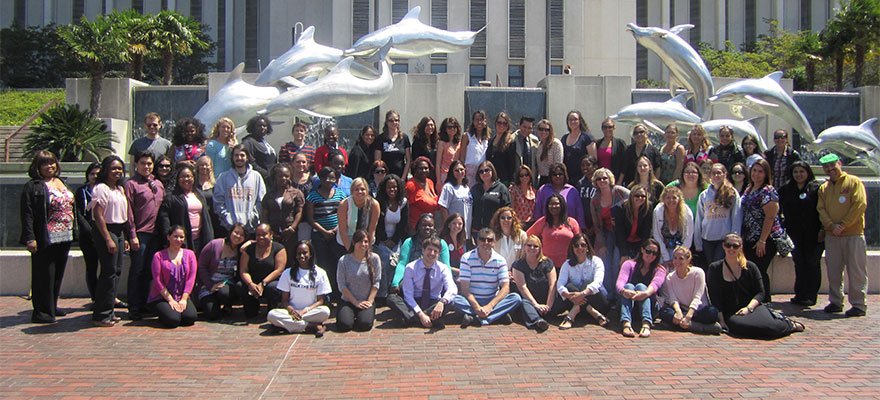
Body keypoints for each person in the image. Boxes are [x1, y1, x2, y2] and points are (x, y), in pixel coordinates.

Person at [707, 233, 805, 338]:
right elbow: (715, 297)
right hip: (732, 312)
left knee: (771, 327)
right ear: (723, 246)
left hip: (752, 307)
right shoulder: (715, 268)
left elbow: (760, 292)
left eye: (735, 246)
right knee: (739, 327)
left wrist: (749, 308)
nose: (731, 248)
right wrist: (721, 320)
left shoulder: (750, 267)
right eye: (728, 245)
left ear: (741, 247)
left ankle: (789, 324)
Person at [20, 151, 75, 323]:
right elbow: (27, 214)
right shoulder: (33, 186)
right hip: (46, 237)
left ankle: (52, 305)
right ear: (37, 167)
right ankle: (41, 312)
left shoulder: (61, 182)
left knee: (57, 273)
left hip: (65, 235)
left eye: (52, 162)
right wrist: (30, 238)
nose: (49, 166)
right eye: (45, 163)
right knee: (43, 275)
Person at [87, 156, 137, 327]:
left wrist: (126, 237)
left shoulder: (119, 189)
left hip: (119, 230)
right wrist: (108, 238)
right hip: (106, 230)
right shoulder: (101, 188)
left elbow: (123, 215)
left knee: (116, 272)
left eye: (120, 169)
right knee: (108, 272)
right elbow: (98, 215)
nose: (117, 171)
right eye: (113, 168)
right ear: (106, 170)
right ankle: (100, 314)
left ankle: (110, 310)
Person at [817, 153, 868, 317]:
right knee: (833, 270)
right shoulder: (824, 188)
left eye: (833, 165)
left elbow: (860, 204)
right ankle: (835, 301)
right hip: (832, 235)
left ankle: (859, 304)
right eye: (826, 167)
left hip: (853, 234)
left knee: (856, 270)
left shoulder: (853, 182)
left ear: (840, 163)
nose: (830, 169)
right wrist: (831, 225)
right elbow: (821, 209)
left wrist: (844, 225)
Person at [124, 150, 165, 320]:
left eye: (149, 163)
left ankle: (147, 304)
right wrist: (132, 235)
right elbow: (128, 211)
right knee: (137, 271)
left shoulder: (158, 184)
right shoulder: (131, 184)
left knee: (151, 272)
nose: (146, 166)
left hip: (156, 235)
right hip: (140, 234)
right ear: (136, 165)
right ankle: (134, 306)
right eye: (142, 163)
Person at [454, 228, 522, 327]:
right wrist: (477, 307)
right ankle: (496, 315)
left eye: (489, 240)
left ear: (494, 242)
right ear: (477, 241)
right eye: (482, 239)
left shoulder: (500, 260)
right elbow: (465, 289)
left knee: (516, 298)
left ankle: (477, 318)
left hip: (492, 300)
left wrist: (489, 306)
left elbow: (506, 288)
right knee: (454, 299)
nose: (486, 242)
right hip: (471, 300)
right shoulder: (466, 258)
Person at [778, 161, 824, 307]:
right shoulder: (786, 189)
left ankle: (811, 295)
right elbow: (779, 210)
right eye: (795, 172)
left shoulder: (817, 188)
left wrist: (823, 229)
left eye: (801, 171)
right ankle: (800, 294)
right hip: (794, 233)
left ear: (808, 172)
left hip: (814, 234)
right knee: (799, 263)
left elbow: (822, 210)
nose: (799, 174)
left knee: (812, 263)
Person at [387, 236, 457, 329]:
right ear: (423, 250)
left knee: (451, 302)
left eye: (435, 251)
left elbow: (452, 288)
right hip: (414, 301)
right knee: (392, 298)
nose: (432, 253)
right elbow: (408, 295)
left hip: (433, 302)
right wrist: (421, 315)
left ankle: (410, 319)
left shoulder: (443, 268)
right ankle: (429, 319)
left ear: (439, 254)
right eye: (429, 250)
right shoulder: (411, 267)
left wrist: (442, 302)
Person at [740, 158, 783, 303]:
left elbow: (770, 217)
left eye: (760, 172)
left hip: (764, 240)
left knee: (759, 271)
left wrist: (762, 241)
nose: (756, 174)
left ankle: (765, 301)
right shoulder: (749, 188)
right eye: (754, 171)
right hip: (749, 238)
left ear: (766, 174)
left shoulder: (768, 191)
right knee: (752, 270)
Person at [267, 240, 331, 336]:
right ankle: (311, 326)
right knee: (271, 315)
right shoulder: (287, 273)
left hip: (310, 311)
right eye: (299, 253)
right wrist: (292, 311)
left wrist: (304, 311)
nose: (301, 256)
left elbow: (320, 301)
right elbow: (284, 300)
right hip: (291, 312)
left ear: (311, 254)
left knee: (325, 311)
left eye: (305, 253)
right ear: (295, 255)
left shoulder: (320, 273)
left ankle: (286, 325)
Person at [658, 246, 722, 334]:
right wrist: (678, 312)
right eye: (675, 258)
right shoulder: (670, 277)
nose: (677, 262)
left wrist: (688, 317)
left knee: (712, 312)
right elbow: (673, 299)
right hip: (683, 309)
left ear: (688, 260)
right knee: (663, 311)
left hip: (698, 310)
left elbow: (697, 297)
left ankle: (682, 324)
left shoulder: (698, 273)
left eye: (681, 259)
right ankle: (698, 327)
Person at [157, 164, 214, 255]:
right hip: (181, 241)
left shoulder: (199, 195)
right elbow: (164, 219)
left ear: (193, 178)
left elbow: (206, 218)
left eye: (188, 176)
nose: (186, 179)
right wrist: (167, 239)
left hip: (199, 240)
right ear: (177, 179)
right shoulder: (171, 197)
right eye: (182, 177)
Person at [147, 225, 197, 328]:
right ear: (168, 237)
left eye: (181, 237)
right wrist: (170, 300)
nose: (179, 240)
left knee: (189, 318)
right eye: (175, 236)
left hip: (181, 295)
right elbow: (158, 281)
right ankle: (163, 313)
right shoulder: (158, 256)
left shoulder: (190, 254)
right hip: (162, 296)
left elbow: (191, 279)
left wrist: (183, 299)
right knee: (173, 320)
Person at [305, 167, 347, 290]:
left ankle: (338, 291)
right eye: (326, 178)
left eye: (332, 178)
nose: (329, 180)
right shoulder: (312, 196)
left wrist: (335, 230)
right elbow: (310, 219)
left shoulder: (341, 195)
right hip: (319, 235)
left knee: (338, 262)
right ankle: (326, 292)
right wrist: (324, 232)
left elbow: (344, 215)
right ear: (321, 179)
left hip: (338, 234)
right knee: (324, 264)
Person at [557, 234, 609, 329]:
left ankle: (570, 316)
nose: (580, 248)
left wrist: (583, 294)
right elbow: (560, 284)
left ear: (588, 247)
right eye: (576, 245)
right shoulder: (567, 264)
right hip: (579, 307)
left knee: (587, 283)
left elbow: (598, 283)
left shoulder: (596, 261)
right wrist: (568, 295)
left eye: (583, 245)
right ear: (572, 248)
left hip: (598, 304)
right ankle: (593, 312)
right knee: (569, 287)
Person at [589, 167, 629, 292]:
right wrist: (601, 244)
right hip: (606, 233)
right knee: (605, 260)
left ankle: (619, 293)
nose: (602, 181)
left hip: (622, 232)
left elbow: (635, 200)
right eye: (599, 179)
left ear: (610, 179)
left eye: (604, 178)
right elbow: (597, 226)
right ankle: (609, 293)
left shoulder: (620, 192)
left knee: (618, 260)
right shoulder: (595, 200)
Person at [616, 239, 666, 338]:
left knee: (642, 286)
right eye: (648, 251)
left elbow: (655, 285)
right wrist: (623, 291)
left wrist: (645, 293)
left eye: (654, 253)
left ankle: (646, 324)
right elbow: (620, 281)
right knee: (629, 286)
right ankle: (626, 323)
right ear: (642, 250)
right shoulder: (629, 264)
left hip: (650, 308)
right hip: (630, 305)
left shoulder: (660, 270)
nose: (651, 255)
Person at [213, 145, 266, 235]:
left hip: (250, 228)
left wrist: (252, 217)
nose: (239, 158)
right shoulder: (223, 177)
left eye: (242, 155)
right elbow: (218, 201)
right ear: (232, 157)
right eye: (236, 155)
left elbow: (261, 200)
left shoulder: (256, 177)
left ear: (247, 157)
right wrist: (227, 218)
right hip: (229, 229)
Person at [695, 163, 742, 265]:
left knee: (717, 265)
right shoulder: (704, 195)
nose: (716, 176)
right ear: (710, 176)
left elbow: (736, 216)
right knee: (711, 267)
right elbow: (699, 219)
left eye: (719, 173)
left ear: (725, 174)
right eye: (713, 173)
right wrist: (698, 242)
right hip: (707, 239)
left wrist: (735, 238)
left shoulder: (731, 193)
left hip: (724, 239)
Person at [511, 235, 560, 332]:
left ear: (540, 248)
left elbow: (552, 285)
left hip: (547, 301)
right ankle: (538, 321)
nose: (532, 248)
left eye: (535, 246)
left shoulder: (547, 262)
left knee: (566, 294)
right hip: (529, 301)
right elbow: (522, 287)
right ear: (524, 247)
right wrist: (536, 305)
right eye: (529, 245)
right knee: (523, 302)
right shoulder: (518, 265)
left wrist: (548, 306)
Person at [197, 224, 247, 320]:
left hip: (227, 283)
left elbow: (256, 243)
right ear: (230, 232)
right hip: (209, 285)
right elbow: (202, 267)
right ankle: (215, 304)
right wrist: (210, 285)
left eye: (242, 235)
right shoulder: (214, 245)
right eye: (236, 232)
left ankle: (227, 304)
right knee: (211, 315)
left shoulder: (241, 250)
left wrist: (247, 244)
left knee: (224, 292)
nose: (238, 236)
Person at [391, 214, 451, 292]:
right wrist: (395, 283)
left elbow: (446, 265)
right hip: (413, 279)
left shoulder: (441, 244)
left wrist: (449, 284)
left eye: (430, 225)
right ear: (418, 227)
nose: (427, 228)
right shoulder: (409, 242)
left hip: (435, 281)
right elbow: (402, 264)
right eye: (424, 225)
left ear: (434, 228)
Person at [336, 230, 381, 332]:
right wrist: (355, 302)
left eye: (366, 242)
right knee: (345, 325)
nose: (363, 245)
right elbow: (342, 285)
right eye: (360, 242)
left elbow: (376, 282)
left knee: (365, 324)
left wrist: (369, 301)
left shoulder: (375, 259)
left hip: (366, 300)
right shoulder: (344, 260)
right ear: (353, 243)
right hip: (348, 300)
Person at [239, 223, 286, 318]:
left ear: (271, 234)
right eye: (258, 235)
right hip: (253, 282)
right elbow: (243, 270)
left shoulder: (279, 248)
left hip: (270, 281)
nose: (261, 237)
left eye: (264, 234)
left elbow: (279, 270)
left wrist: (263, 284)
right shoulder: (249, 249)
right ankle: (252, 307)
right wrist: (250, 284)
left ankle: (272, 308)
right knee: (240, 286)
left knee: (274, 288)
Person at [375, 174, 409, 299]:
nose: (392, 190)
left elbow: (403, 224)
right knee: (384, 260)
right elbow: (377, 224)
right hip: (381, 240)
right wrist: (384, 240)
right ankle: (382, 294)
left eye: (395, 187)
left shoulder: (403, 203)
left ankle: (393, 291)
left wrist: (394, 241)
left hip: (395, 240)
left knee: (397, 261)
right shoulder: (379, 202)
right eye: (389, 187)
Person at [526, 193, 581, 268]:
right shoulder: (543, 222)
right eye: (551, 204)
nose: (554, 206)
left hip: (568, 265)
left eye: (556, 204)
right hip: (546, 266)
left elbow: (580, 242)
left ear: (562, 205)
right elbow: (527, 236)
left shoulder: (572, 222)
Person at [74, 162, 103, 305]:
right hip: (88, 235)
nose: (95, 176)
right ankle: (95, 297)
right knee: (91, 267)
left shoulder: (106, 190)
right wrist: (88, 229)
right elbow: (78, 212)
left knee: (107, 267)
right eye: (92, 174)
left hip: (103, 233)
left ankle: (107, 296)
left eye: (98, 173)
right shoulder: (81, 191)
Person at [260, 163, 304, 253]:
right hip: (273, 233)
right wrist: (270, 231)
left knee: (290, 257)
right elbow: (264, 215)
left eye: (286, 176)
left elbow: (299, 212)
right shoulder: (269, 195)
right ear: (275, 177)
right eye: (280, 176)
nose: (284, 178)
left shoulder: (296, 193)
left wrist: (292, 228)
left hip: (290, 233)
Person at [533, 163, 585, 229]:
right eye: (554, 174)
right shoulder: (543, 190)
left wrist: (581, 229)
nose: (557, 176)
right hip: (547, 229)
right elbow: (537, 211)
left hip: (569, 229)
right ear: (551, 176)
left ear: (564, 175)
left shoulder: (572, 191)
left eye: (560, 174)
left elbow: (579, 212)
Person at [652, 186, 694, 266]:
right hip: (662, 249)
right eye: (668, 197)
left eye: (674, 197)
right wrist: (666, 257)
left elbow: (689, 237)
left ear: (679, 199)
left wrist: (678, 256)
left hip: (681, 250)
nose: (671, 200)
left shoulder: (687, 212)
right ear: (663, 199)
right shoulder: (658, 211)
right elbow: (656, 235)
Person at [613, 185, 654, 265]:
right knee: (617, 261)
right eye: (637, 195)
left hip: (640, 242)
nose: (640, 198)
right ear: (631, 196)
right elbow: (619, 233)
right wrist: (624, 254)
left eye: (643, 196)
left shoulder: (648, 207)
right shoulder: (621, 208)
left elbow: (646, 232)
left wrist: (641, 252)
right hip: (624, 242)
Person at [337, 177, 380, 249]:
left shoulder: (374, 204)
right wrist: (350, 251)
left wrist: (366, 250)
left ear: (367, 190)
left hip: (365, 243)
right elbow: (343, 231)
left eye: (362, 189)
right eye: (356, 189)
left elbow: (371, 230)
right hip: (345, 242)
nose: (360, 192)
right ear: (352, 191)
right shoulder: (344, 204)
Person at [470, 160, 511, 234]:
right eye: (481, 171)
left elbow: (507, 209)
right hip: (477, 231)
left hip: (495, 231)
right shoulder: (475, 189)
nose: (484, 173)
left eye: (487, 170)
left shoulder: (501, 188)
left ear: (492, 171)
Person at [437, 160, 473, 240]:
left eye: (462, 169)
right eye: (456, 170)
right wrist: (449, 226)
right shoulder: (448, 187)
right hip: (454, 232)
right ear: (451, 172)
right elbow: (443, 208)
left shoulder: (466, 188)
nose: (459, 172)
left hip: (465, 233)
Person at [561, 110, 596, 185]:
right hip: (567, 178)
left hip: (582, 178)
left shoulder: (587, 138)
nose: (573, 121)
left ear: (580, 121)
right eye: (570, 119)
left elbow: (593, 159)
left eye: (575, 119)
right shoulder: (564, 138)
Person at [405, 156, 439, 229]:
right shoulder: (410, 185)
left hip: (429, 227)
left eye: (426, 168)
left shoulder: (430, 182)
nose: (424, 170)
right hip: (416, 228)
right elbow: (405, 209)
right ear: (415, 170)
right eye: (421, 168)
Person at [486, 112, 520, 185]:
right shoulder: (490, 141)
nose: (501, 125)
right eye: (499, 123)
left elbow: (512, 164)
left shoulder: (510, 142)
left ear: (507, 126)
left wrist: (512, 181)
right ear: (495, 123)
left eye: (504, 123)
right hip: (490, 179)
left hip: (504, 180)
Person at [240, 115, 277, 179]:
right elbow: (249, 161)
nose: (262, 127)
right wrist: (265, 174)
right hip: (258, 178)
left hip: (270, 179)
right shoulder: (249, 142)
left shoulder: (264, 142)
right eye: (259, 126)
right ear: (253, 127)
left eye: (264, 126)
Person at [376, 110, 410, 179]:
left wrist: (403, 177)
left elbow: (408, 160)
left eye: (396, 120)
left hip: (401, 177)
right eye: (391, 120)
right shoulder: (380, 138)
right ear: (387, 122)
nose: (394, 122)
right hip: (385, 177)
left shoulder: (404, 137)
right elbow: (378, 161)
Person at [461, 110, 491, 185]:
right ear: (473, 122)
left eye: (481, 119)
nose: (479, 122)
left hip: (482, 172)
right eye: (477, 120)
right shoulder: (467, 136)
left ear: (485, 122)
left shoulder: (487, 139)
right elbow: (462, 156)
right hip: (469, 172)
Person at [290, 152, 314, 241]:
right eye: (298, 162)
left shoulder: (312, 180)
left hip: (307, 220)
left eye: (303, 162)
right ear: (292, 163)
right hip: (291, 220)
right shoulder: (288, 180)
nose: (301, 164)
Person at [435, 116, 463, 192]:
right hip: (445, 175)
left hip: (457, 175)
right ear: (445, 129)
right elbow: (438, 163)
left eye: (454, 127)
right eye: (449, 127)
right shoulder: (442, 143)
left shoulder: (459, 144)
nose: (452, 129)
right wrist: (438, 181)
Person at [595, 118, 627, 183]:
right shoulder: (597, 143)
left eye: (610, 127)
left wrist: (619, 181)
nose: (607, 129)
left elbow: (624, 164)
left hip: (615, 179)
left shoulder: (620, 143)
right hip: (601, 180)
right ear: (602, 129)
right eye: (605, 127)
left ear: (614, 128)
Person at [534, 119, 563, 185]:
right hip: (541, 179)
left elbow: (558, 164)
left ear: (550, 131)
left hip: (553, 179)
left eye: (547, 130)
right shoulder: (538, 145)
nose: (543, 132)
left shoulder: (556, 144)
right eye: (541, 129)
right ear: (537, 130)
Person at [576, 156, 599, 239]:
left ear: (595, 167)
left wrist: (595, 226)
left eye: (588, 165)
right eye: (583, 165)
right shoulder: (580, 183)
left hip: (598, 223)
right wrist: (583, 225)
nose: (585, 167)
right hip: (584, 223)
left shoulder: (599, 182)